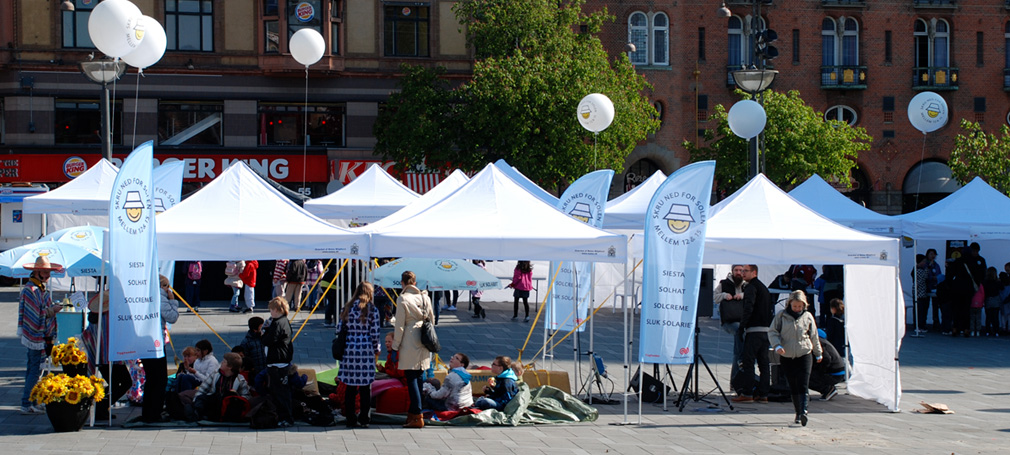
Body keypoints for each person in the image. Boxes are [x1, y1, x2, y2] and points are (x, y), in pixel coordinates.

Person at [18, 256, 64, 414]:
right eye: (46, 272)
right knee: (34, 370)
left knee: (34, 369)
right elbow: (35, 316)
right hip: (36, 337)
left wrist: (52, 308)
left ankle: (31, 401)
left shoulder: (39, 289)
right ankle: (27, 403)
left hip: (40, 336)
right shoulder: (32, 290)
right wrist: (53, 310)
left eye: (49, 272)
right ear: (37, 272)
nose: (48, 275)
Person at [769, 291, 822, 426]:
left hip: (804, 353)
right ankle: (798, 412)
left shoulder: (808, 316)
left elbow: (814, 336)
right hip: (787, 355)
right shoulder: (781, 316)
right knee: (793, 384)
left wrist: (818, 353)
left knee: (803, 383)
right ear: (789, 304)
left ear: (804, 305)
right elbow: (772, 332)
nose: (798, 309)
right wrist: (777, 346)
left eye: (800, 306)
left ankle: (804, 411)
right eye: (795, 306)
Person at [391, 270, 434, 429]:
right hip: (424, 339)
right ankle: (414, 413)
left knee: (411, 377)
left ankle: (417, 414)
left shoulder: (403, 298)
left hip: (409, 340)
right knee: (419, 376)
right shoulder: (425, 297)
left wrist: (395, 347)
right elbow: (432, 319)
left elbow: (399, 326)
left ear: (402, 283)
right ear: (415, 283)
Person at [81, 291, 132, 421]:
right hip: (111, 357)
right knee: (124, 382)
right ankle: (101, 407)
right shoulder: (110, 316)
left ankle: (102, 408)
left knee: (115, 383)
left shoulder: (95, 317)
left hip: (100, 355)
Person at [337, 281, 381, 428]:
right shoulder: (372, 310)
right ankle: (364, 418)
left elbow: (338, 330)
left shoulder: (347, 308)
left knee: (350, 386)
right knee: (365, 387)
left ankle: (350, 418)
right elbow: (375, 333)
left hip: (349, 350)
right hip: (365, 351)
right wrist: (377, 349)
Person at [142, 274, 180, 422]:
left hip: (145, 340)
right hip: (155, 341)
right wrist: (173, 302)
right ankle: (154, 413)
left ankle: (148, 412)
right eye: (167, 286)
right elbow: (172, 317)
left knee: (151, 378)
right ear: (163, 286)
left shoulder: (146, 296)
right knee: (159, 379)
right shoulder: (161, 297)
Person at [734, 264, 772, 403]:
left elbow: (748, 307)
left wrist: (742, 326)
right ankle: (763, 394)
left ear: (754, 272)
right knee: (764, 363)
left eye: (746, 271)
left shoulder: (751, 287)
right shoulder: (763, 288)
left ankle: (747, 393)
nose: (742, 273)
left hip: (754, 329)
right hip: (765, 330)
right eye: (742, 271)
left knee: (748, 362)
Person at [262, 296, 295, 427]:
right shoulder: (285, 321)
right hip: (281, 360)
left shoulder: (277, 323)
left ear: (276, 309)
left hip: (277, 362)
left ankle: (286, 417)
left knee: (280, 392)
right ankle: (285, 416)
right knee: (281, 391)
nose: (270, 312)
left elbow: (269, 340)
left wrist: (264, 333)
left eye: (271, 309)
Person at [191, 352, 251, 421]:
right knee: (202, 398)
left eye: (224, 362)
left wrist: (236, 396)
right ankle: (197, 413)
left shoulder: (240, 380)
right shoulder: (215, 374)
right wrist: (195, 400)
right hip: (214, 401)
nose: (221, 363)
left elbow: (246, 396)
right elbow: (203, 389)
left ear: (230, 367)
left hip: (228, 405)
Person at [715, 265, 746, 393]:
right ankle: (739, 367)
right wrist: (723, 295)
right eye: (736, 270)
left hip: (744, 321)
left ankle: (737, 379)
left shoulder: (747, 285)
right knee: (740, 334)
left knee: (739, 349)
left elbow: (756, 297)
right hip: (729, 321)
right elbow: (713, 297)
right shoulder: (724, 283)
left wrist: (743, 295)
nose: (738, 273)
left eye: (741, 270)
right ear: (732, 271)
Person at [809, 330, 845, 402]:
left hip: (834, 373)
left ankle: (828, 389)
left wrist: (819, 371)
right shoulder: (823, 342)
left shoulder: (818, 343)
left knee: (806, 377)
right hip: (837, 371)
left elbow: (826, 359)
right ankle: (827, 388)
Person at [982, 267, 1003, 337]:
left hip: (988, 299)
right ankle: (996, 331)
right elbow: (1002, 288)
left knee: (988, 316)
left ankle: (987, 331)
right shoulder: (997, 282)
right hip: (996, 299)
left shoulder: (985, 282)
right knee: (995, 317)